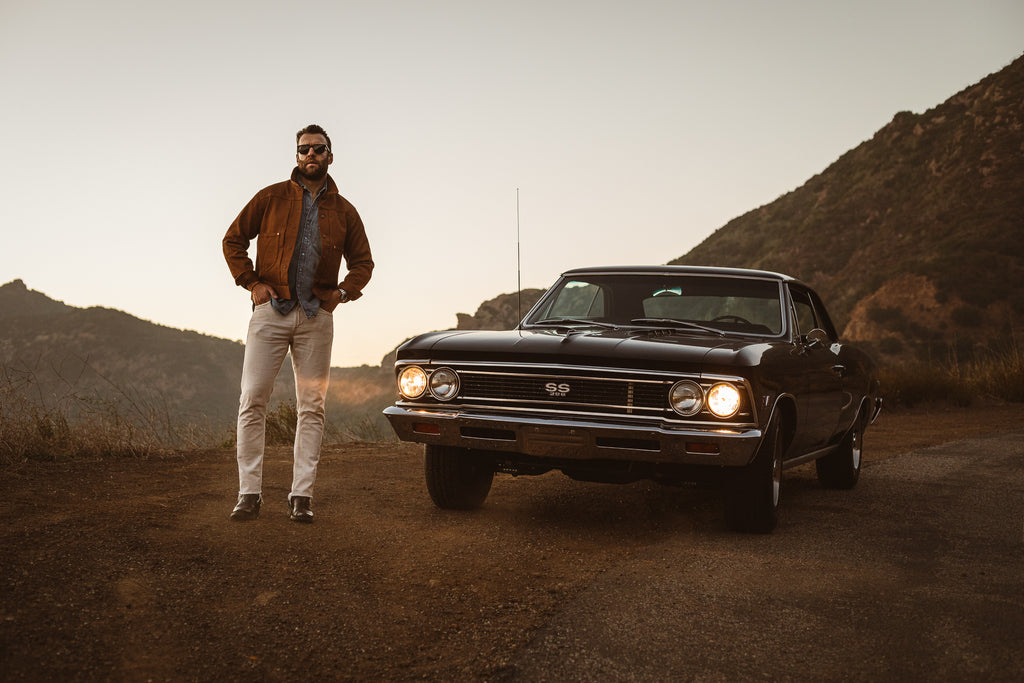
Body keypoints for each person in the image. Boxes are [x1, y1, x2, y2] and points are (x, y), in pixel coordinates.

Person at [222, 124, 373, 523]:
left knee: (313, 407)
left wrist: (341, 294)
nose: (311, 155)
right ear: (296, 155)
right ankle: (248, 493)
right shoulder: (270, 197)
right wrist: (252, 283)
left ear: (330, 155)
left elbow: (364, 263)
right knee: (252, 399)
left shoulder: (345, 211)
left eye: (319, 149)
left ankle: (301, 496)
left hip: (316, 317)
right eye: (304, 149)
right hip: (271, 314)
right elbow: (233, 240)